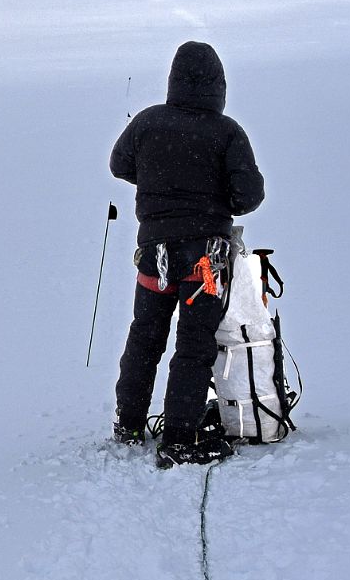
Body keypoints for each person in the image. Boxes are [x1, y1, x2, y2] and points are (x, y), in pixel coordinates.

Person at [110, 42, 265, 468]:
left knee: (145, 337)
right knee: (194, 346)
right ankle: (180, 437)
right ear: (219, 85)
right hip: (205, 263)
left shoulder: (147, 122)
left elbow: (118, 165)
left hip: (153, 256)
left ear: (173, 80)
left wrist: (160, 182)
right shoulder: (226, 132)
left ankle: (129, 424)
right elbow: (249, 196)